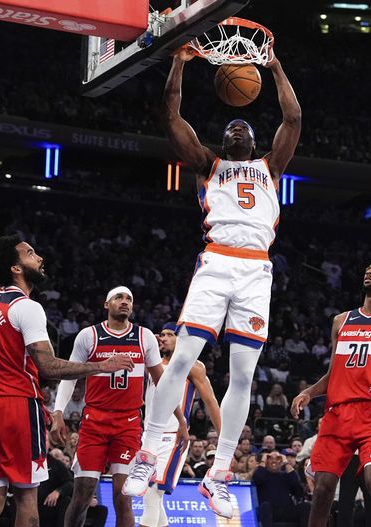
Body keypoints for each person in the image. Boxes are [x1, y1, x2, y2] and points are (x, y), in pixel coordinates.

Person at [124, 44, 301, 521]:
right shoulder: (208, 165)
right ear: (222, 141)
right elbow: (171, 115)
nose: (237, 127)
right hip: (218, 261)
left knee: (243, 375)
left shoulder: (272, 167)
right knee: (182, 358)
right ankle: (147, 452)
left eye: (243, 125)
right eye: (230, 127)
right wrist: (179, 64)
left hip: (257, 270)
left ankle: (219, 474)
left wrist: (276, 66)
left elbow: (293, 119)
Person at [0, 235, 134, 527]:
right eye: (30, 253)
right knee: (27, 501)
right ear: (15, 268)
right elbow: (49, 366)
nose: (39, 258)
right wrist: (102, 365)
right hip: (14, 406)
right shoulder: (27, 307)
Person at [291, 261, 371, 527]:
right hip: (337, 414)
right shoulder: (341, 320)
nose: (369, 271)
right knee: (323, 487)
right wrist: (310, 393)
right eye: (368, 268)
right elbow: (334, 373)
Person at [50, 288, 188, 527]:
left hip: (128, 424)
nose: (125, 302)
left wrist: (182, 421)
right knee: (83, 494)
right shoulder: (89, 336)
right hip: (94, 421)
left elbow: (162, 384)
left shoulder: (144, 336)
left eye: (129, 299)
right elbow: (70, 376)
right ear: (106, 304)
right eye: (119, 298)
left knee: (123, 496)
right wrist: (58, 412)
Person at [140, 322, 221, 527]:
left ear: (181, 339)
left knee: (151, 493)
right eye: (161, 335)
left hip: (173, 436)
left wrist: (224, 436)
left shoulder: (193, 365)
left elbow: (210, 401)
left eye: (169, 335)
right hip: (148, 434)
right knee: (154, 498)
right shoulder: (152, 363)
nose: (163, 338)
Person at [252, 450, 311, 527]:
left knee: (306, 506)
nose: (274, 461)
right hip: (269, 511)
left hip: (286, 511)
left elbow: (297, 487)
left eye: (277, 458)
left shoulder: (285, 476)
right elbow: (257, 479)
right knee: (265, 506)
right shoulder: (262, 474)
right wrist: (263, 460)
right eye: (270, 458)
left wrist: (286, 463)